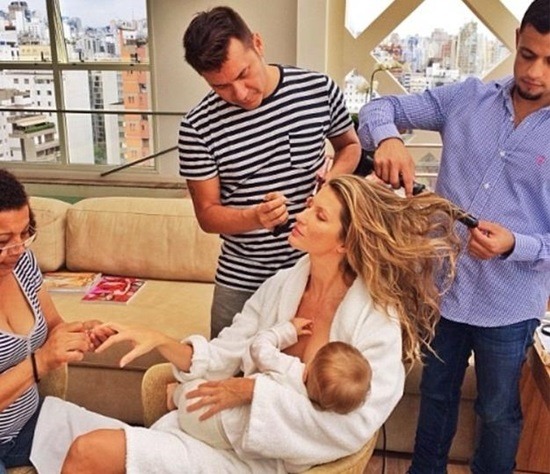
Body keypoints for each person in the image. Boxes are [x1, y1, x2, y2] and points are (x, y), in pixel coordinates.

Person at [30, 174, 460, 474]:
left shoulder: (376, 319)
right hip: (224, 432)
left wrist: (253, 392)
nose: (302, 216)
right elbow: (224, 353)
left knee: (89, 452)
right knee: (88, 451)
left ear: (346, 242)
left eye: (320, 216)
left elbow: (353, 426)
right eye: (310, 205)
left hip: (270, 459)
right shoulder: (282, 285)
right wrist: (162, 341)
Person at [357, 1, 550, 472]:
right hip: (442, 291)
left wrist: (514, 244)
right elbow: (379, 107)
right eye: (528, 55)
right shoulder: (467, 98)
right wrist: (389, 139)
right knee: (436, 396)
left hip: (510, 304)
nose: (534, 72)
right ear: (517, 39)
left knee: (498, 412)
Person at [178, 6, 361, 337]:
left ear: (258, 44)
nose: (240, 94)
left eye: (243, 74)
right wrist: (255, 217)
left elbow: (349, 146)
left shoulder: (318, 89)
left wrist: (332, 181)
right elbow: (207, 215)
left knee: (312, 366)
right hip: (242, 279)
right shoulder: (196, 127)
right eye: (221, 87)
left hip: (314, 271)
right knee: (222, 364)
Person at [0, 169, 104, 473]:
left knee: (126, 450)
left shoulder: (22, 264)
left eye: (25, 233)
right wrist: (40, 363)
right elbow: (42, 358)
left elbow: (53, 325)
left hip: (29, 426)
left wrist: (78, 332)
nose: (18, 248)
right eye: (3, 240)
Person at [168, 317, 372, 467]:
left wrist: (287, 331)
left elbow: (259, 348)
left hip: (207, 413)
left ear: (308, 369)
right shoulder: (314, 418)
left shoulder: (292, 370)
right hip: (229, 440)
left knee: (193, 389)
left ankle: (174, 395)